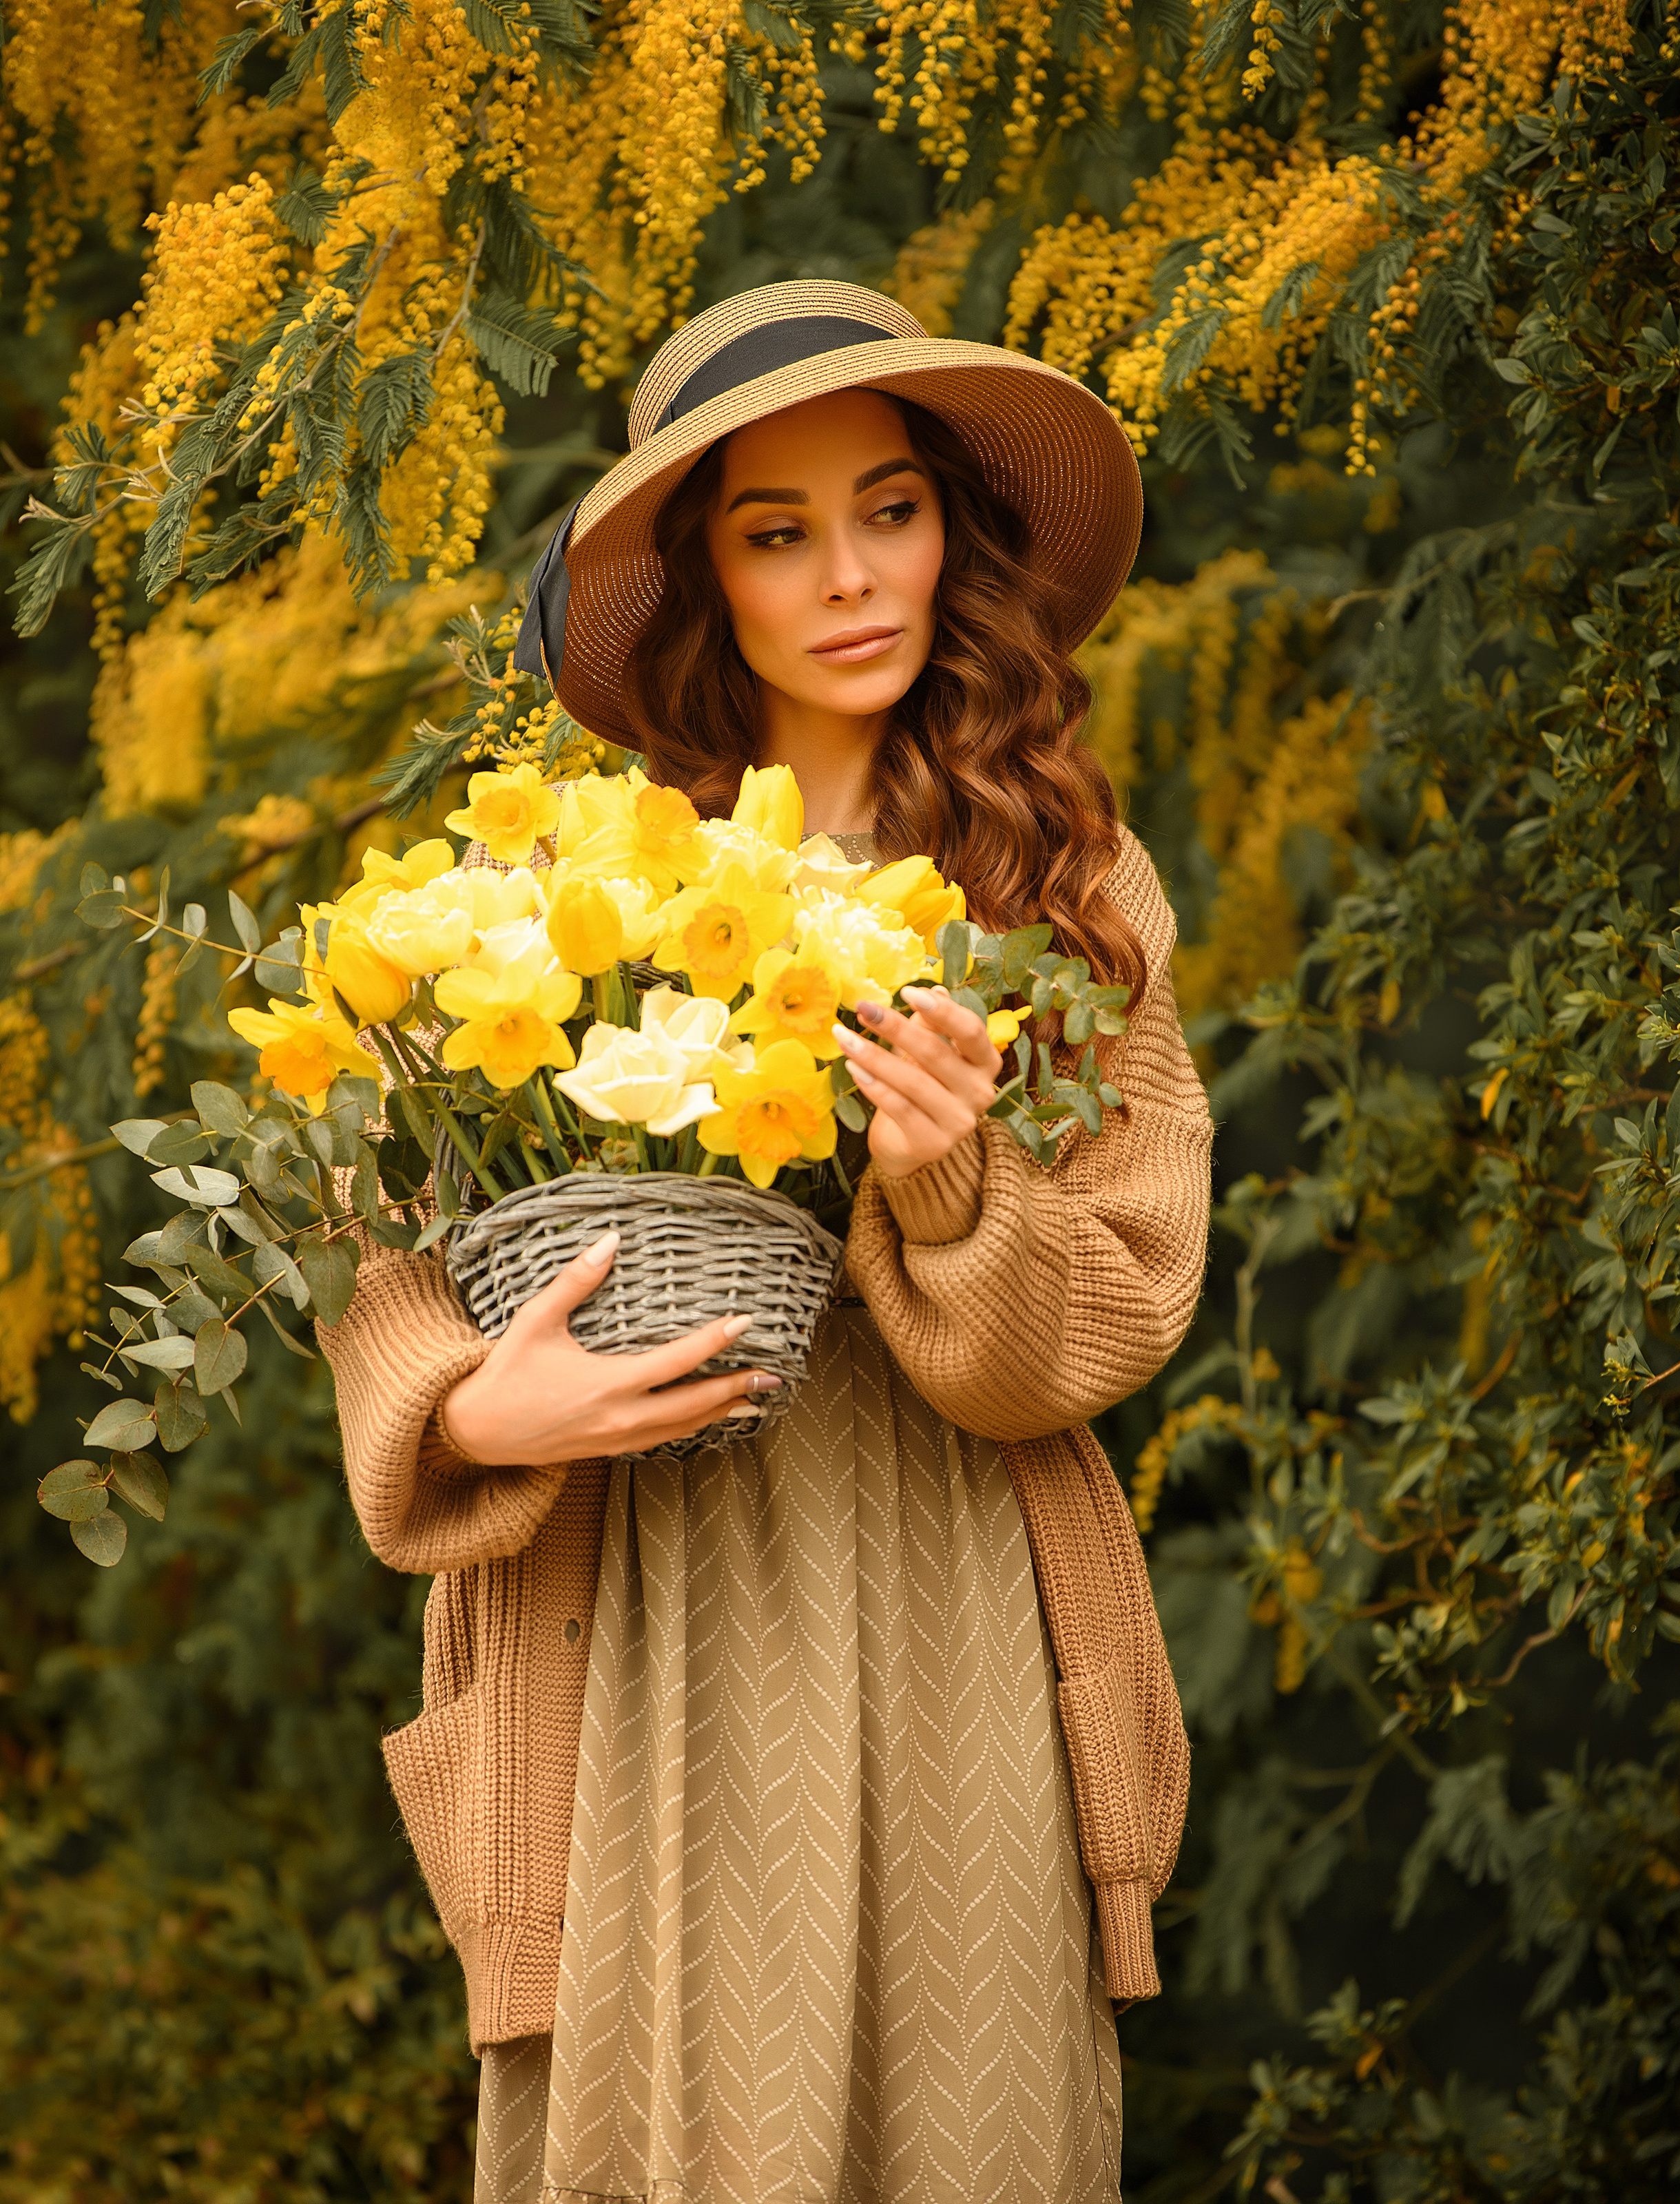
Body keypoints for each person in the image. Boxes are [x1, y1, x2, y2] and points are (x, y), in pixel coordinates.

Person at [319, 280, 1213, 2204]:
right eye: (776, 531)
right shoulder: (550, 878)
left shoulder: (1067, 891)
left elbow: (1116, 1305)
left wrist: (957, 1183)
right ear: (707, 579)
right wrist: (477, 1412)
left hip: (959, 1606)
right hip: (647, 1607)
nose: (850, 577)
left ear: (953, 531)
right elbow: (370, 1253)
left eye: (888, 510)